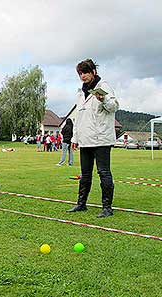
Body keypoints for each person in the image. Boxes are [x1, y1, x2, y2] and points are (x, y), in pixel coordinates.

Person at [67, 59, 119, 218]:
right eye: (80, 73)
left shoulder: (104, 87)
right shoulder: (80, 92)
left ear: (93, 72)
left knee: (104, 172)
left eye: (85, 72)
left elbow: (114, 107)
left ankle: (107, 207)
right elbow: (78, 117)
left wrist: (103, 99)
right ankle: (81, 204)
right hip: (85, 139)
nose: (83, 76)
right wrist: (75, 138)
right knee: (85, 174)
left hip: (101, 138)